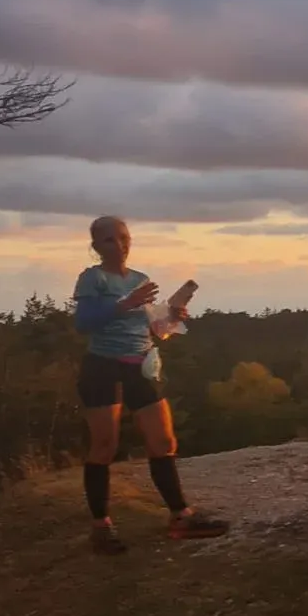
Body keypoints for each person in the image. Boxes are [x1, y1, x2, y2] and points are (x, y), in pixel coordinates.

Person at [73, 217, 229, 553]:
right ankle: (101, 527)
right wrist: (123, 304)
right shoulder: (92, 278)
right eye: (110, 240)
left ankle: (180, 516)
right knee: (104, 444)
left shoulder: (141, 280)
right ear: (97, 246)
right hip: (102, 367)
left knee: (163, 440)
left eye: (124, 237)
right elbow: (83, 323)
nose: (120, 244)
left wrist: (173, 316)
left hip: (140, 366)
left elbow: (155, 329)